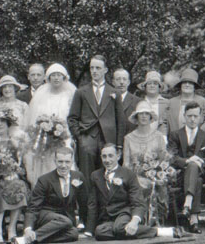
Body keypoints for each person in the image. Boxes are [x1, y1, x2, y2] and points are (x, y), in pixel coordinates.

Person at [85, 144, 186, 240]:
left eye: (111, 156)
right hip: (108, 218)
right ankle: (129, 232)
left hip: (124, 213)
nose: (107, 160)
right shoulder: (96, 175)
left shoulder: (128, 174)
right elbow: (92, 203)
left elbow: (138, 202)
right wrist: (89, 230)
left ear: (118, 156)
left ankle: (161, 232)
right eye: (104, 156)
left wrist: (134, 221)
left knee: (120, 226)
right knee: (99, 232)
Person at [67, 54, 126, 193]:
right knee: (87, 179)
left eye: (98, 68)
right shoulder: (81, 92)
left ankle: (106, 212)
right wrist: (80, 138)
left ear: (105, 70)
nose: (94, 71)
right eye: (92, 68)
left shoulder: (114, 92)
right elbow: (72, 118)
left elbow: (120, 121)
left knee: (108, 176)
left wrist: (118, 145)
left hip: (108, 142)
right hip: (87, 140)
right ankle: (87, 212)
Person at [11, 147, 87, 244]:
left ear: (72, 161)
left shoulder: (78, 176)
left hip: (65, 222)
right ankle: (28, 237)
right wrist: (28, 229)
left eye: (67, 162)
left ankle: (30, 239)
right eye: (60, 162)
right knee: (65, 221)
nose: (63, 166)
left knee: (73, 234)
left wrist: (87, 227)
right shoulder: (44, 180)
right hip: (46, 216)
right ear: (55, 161)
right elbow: (33, 207)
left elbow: (84, 202)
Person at [24, 63, 77, 188]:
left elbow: (74, 116)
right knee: (44, 163)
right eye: (53, 75)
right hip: (44, 136)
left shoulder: (71, 95)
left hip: (65, 136)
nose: (56, 78)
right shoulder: (41, 94)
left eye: (59, 75)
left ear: (64, 78)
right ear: (48, 78)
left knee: (64, 160)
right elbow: (35, 117)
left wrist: (67, 133)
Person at [0, 107, 30, 243]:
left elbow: (20, 166)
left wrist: (15, 172)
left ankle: (12, 228)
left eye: (2, 121)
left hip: (13, 178)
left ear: (8, 124)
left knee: (19, 185)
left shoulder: (15, 143)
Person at [167, 101, 205, 234]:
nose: (192, 119)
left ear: (200, 117)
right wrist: (188, 160)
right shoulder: (175, 135)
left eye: (195, 116)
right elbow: (171, 157)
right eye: (189, 116)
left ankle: (188, 204)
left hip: (201, 173)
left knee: (195, 168)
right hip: (180, 174)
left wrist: (200, 161)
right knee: (195, 175)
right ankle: (194, 219)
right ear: (184, 116)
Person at [123, 102, 168, 223]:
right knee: (139, 184)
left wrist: (156, 171)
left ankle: (158, 219)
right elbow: (126, 163)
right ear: (136, 117)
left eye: (146, 114)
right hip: (135, 175)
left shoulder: (158, 136)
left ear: (150, 117)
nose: (143, 116)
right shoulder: (128, 138)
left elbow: (164, 158)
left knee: (160, 182)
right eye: (141, 114)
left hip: (155, 174)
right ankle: (140, 218)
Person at [166, 68, 205, 134]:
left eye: (190, 83)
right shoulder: (171, 102)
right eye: (184, 82)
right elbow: (165, 123)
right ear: (181, 85)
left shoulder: (203, 102)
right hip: (175, 141)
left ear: (194, 86)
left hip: (197, 141)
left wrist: (196, 134)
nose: (187, 85)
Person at [113, 68, 140, 134]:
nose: (121, 82)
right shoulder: (107, 99)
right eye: (118, 79)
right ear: (113, 82)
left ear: (128, 82)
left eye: (124, 79)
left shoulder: (138, 101)